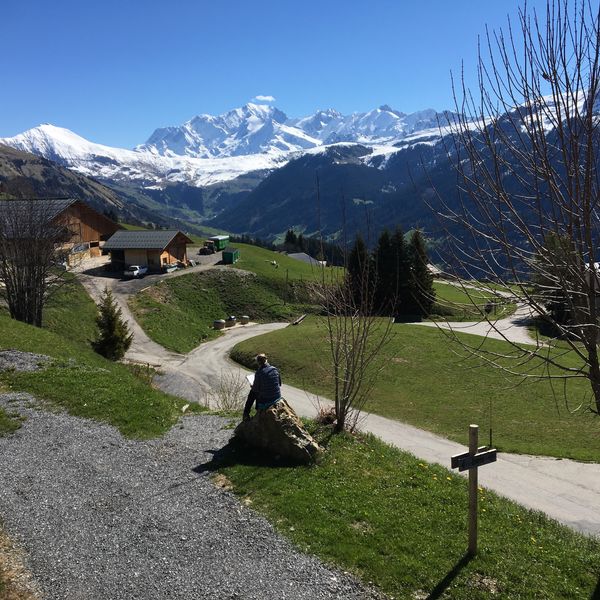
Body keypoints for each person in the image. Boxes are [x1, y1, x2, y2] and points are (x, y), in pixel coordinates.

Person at [243, 353, 282, 420]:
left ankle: (246, 414)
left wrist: (252, 386)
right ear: (266, 360)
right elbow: (279, 384)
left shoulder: (259, 373)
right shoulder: (275, 369)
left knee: (252, 394)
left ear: (258, 362)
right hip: (277, 396)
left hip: (266, 400)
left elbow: (255, 389)